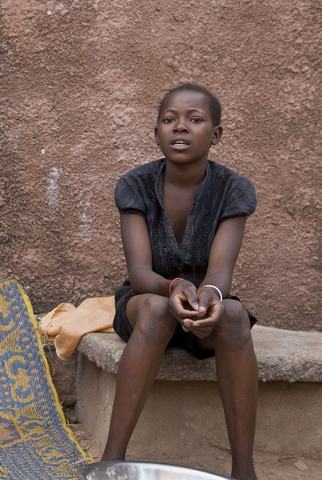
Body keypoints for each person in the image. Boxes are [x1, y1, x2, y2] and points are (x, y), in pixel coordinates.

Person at [101, 84, 258, 480]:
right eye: (169, 119)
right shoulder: (135, 185)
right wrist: (173, 287)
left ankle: (244, 470)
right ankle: (111, 462)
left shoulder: (233, 189)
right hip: (148, 300)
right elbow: (139, 272)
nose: (180, 127)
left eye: (195, 119)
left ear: (216, 134)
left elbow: (220, 272)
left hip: (203, 309)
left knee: (234, 316)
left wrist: (209, 296)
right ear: (156, 133)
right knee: (156, 310)